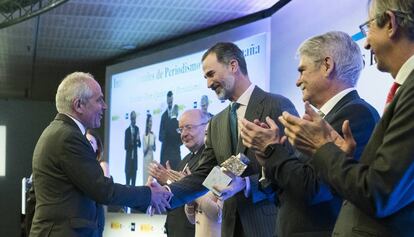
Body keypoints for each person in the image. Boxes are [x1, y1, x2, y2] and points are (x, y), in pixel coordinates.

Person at [279, 0, 414, 236]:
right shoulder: (404, 91)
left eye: (368, 27)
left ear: (390, 24)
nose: (367, 43)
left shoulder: (366, 110)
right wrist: (345, 158)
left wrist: (323, 148)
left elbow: (380, 193)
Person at [239, 31, 380, 237]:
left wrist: (272, 150)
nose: (297, 81)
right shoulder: (321, 120)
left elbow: (314, 189)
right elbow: (287, 191)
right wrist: (267, 156)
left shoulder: (357, 113)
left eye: (302, 70)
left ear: (327, 65)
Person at [168, 42, 298, 237]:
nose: (208, 84)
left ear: (233, 66)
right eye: (205, 77)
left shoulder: (276, 105)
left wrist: (247, 184)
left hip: (268, 225)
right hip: (229, 228)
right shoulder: (217, 123)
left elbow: (293, 169)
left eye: (211, 74)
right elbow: (207, 175)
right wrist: (168, 193)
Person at [29, 72, 172, 237]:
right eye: (99, 100)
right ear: (79, 105)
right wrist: (148, 194)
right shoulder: (68, 137)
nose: (104, 106)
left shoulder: (60, 132)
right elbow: (102, 190)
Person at [150, 109, 209, 237]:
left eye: (188, 127)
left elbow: (212, 193)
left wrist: (170, 181)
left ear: (206, 127)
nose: (183, 134)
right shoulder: (185, 160)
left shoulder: (210, 158)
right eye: (180, 130)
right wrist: (161, 185)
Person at [86, 129, 108, 237]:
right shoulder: (78, 166)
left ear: (97, 147)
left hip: (96, 213)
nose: (88, 145)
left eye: (91, 142)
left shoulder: (102, 165)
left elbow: (105, 191)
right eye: (85, 142)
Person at [159, 92, 182, 170]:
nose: (170, 103)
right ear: (166, 100)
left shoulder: (177, 117)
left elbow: (180, 138)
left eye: (171, 101)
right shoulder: (163, 116)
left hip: (175, 154)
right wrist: (169, 135)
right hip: (165, 154)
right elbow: (160, 136)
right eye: (169, 101)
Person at [124, 110, 141, 186]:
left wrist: (137, 139)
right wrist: (132, 140)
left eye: (135, 118)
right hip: (128, 161)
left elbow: (139, 144)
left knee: (134, 184)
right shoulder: (127, 131)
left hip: (134, 161)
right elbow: (125, 146)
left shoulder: (137, 129)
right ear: (131, 119)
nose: (134, 120)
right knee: (127, 183)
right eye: (133, 118)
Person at [143, 114, 156, 184]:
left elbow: (154, 148)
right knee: (146, 177)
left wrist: (153, 143)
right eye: (149, 121)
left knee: (151, 177)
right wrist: (148, 142)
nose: (150, 123)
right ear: (147, 123)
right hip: (146, 159)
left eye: (151, 121)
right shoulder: (144, 135)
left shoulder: (153, 135)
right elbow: (144, 151)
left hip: (152, 158)